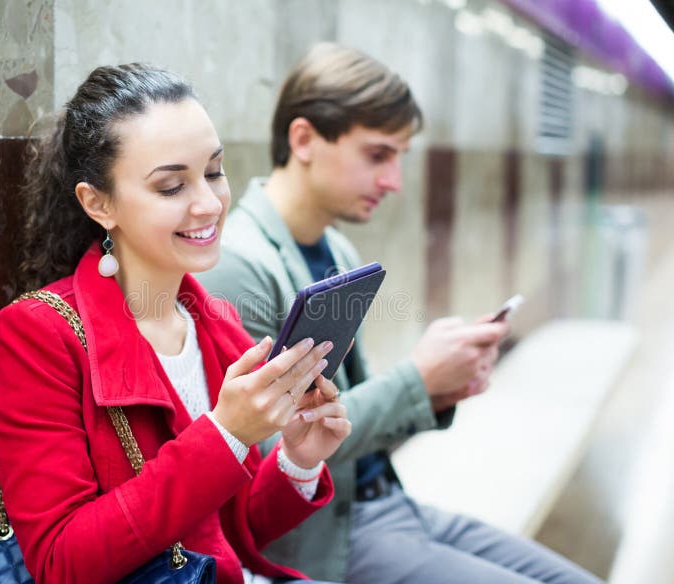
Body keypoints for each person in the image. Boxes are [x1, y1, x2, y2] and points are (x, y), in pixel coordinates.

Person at [197, 43, 603, 584]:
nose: (394, 182)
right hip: (326, 537)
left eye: (400, 158)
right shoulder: (238, 266)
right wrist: (416, 380)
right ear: (304, 140)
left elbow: (344, 409)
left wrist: (440, 384)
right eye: (378, 155)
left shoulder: (335, 250)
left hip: (384, 500)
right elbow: (271, 451)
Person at [0, 63, 353, 584]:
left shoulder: (215, 322)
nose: (207, 203)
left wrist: (298, 458)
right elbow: (61, 563)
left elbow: (224, 536)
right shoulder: (40, 334)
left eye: (214, 171)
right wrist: (226, 433)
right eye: (170, 186)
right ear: (98, 202)